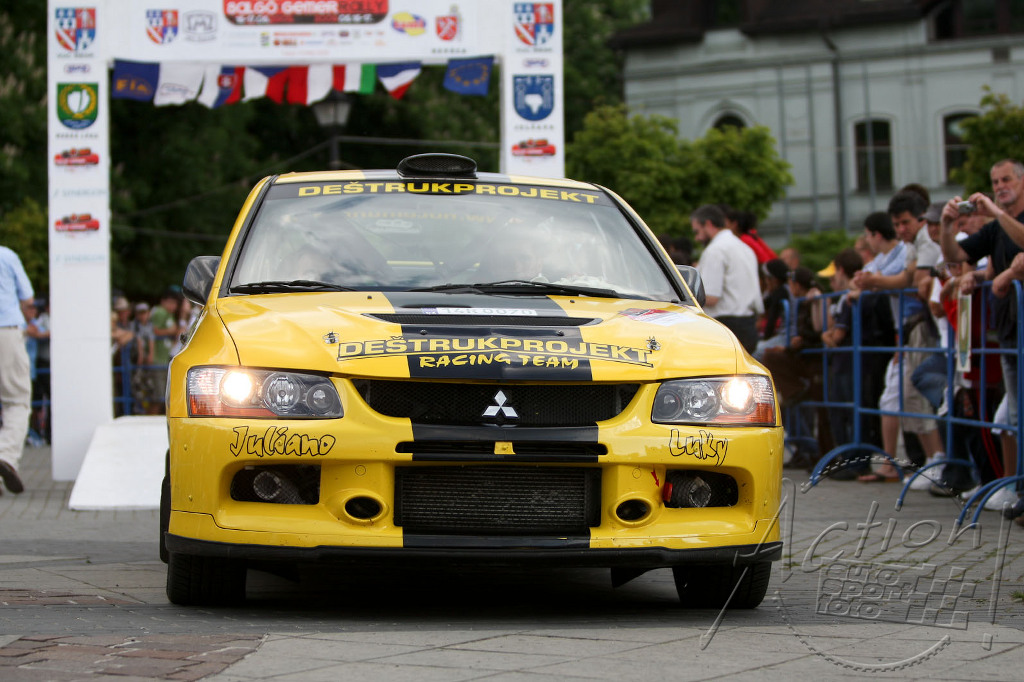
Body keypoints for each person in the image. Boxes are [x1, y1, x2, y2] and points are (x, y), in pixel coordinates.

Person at [939, 158, 1024, 510]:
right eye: (995, 181)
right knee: (1013, 417)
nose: (1000, 186)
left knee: (1013, 416)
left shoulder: (1006, 221)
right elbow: (956, 254)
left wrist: (994, 212)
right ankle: (1015, 489)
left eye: (1007, 180)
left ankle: (1015, 489)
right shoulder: (996, 230)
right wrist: (947, 225)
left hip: (1017, 330)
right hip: (1008, 331)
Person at [855, 191, 944, 482]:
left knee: (913, 396)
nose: (901, 229)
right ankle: (932, 460)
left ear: (921, 219)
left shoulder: (924, 241)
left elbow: (913, 281)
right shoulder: (912, 244)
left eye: (905, 222)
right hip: (909, 330)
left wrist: (875, 281)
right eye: (897, 224)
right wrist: (879, 281)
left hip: (921, 327)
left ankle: (937, 461)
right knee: (905, 398)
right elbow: (909, 278)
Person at [692, 204, 763, 353]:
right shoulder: (744, 247)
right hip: (748, 325)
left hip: (726, 328)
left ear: (708, 224)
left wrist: (684, 296)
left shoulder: (715, 250)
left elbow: (710, 297)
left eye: (697, 231)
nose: (697, 238)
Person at [0, 245, 34, 494]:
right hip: (6, 331)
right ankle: (6, 456)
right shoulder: (7, 255)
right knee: (17, 401)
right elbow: (28, 298)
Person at [148, 287, 183, 415]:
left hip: (163, 358)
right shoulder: (160, 312)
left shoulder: (166, 313)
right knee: (159, 396)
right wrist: (172, 331)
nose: (174, 306)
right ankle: (150, 419)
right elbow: (154, 331)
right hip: (158, 358)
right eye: (172, 303)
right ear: (164, 301)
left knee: (162, 395)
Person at [754, 258, 795, 360]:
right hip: (786, 334)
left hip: (788, 335)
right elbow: (763, 305)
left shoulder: (782, 292)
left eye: (767, 279)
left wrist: (766, 339)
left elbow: (772, 319)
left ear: (774, 279)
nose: (766, 282)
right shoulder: (783, 290)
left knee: (756, 351)